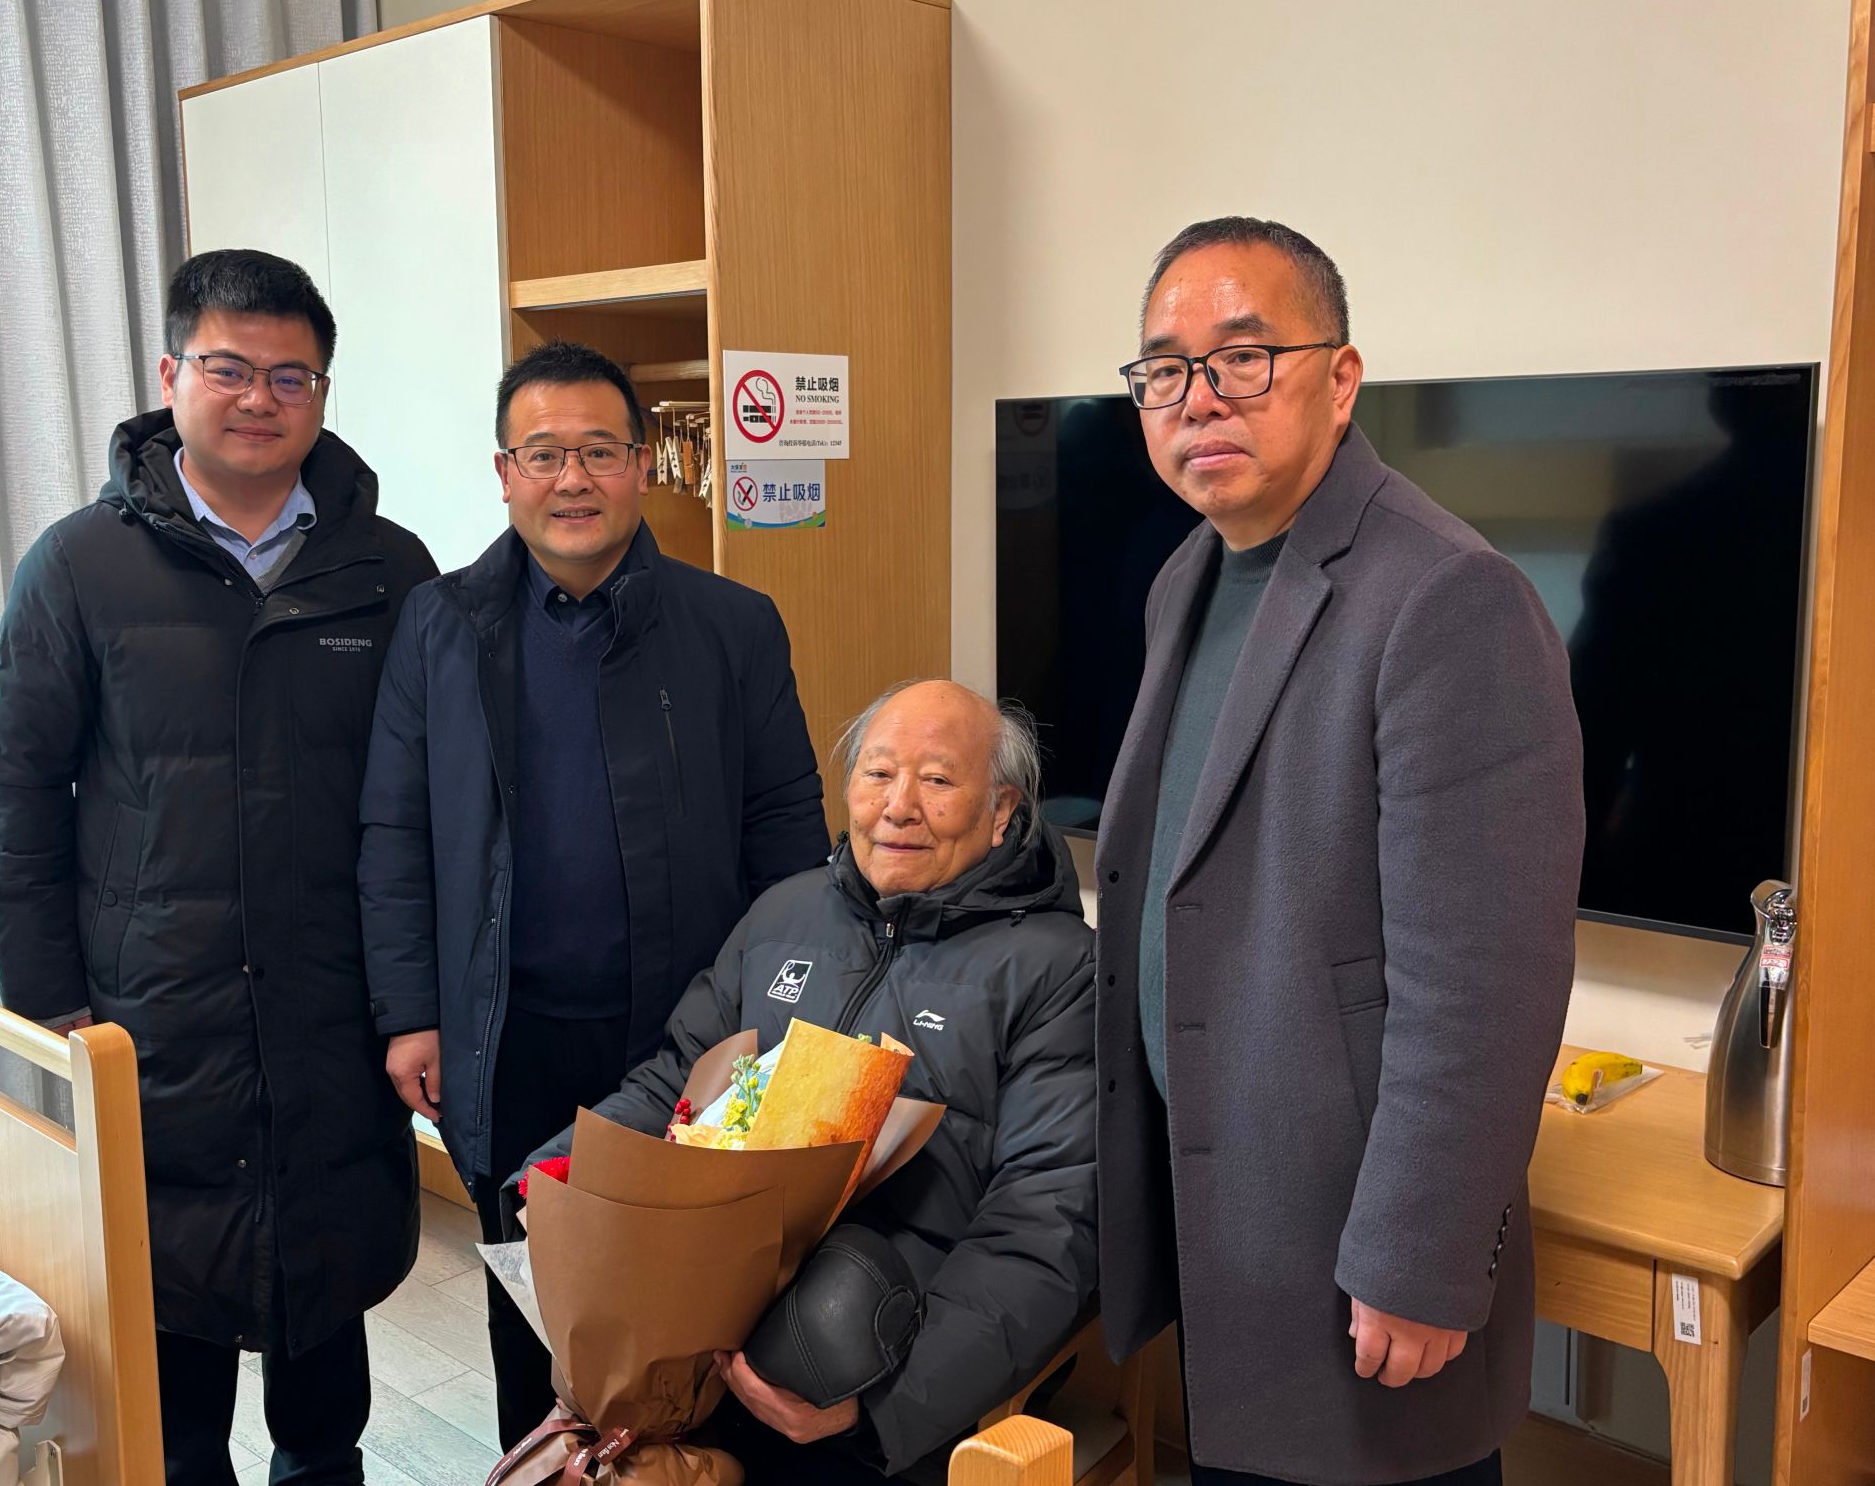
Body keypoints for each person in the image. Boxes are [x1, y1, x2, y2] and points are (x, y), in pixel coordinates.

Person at [1092, 217, 1584, 1485]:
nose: (1198, 397)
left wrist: (1420, 1257)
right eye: (1163, 369)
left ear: (1341, 376)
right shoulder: (1186, 576)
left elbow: (1483, 982)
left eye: (1242, 357)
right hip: (1224, 1211)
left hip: (1354, 1244)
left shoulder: (1445, 594)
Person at [0, 248, 439, 1484]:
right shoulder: (78, 565)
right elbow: (16, 790)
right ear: (170, 373)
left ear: (321, 393)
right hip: (152, 1010)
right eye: (229, 368)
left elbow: (427, 805)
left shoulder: (388, 570)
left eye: (292, 376)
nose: (259, 399)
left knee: (324, 1310)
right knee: (173, 1321)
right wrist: (52, 1007)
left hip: (336, 1003)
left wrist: (417, 998)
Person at [356, 339, 830, 1447]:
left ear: (642, 465)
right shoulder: (439, 624)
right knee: (529, 1310)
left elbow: (787, 835)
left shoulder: (733, 624)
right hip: (503, 1039)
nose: (572, 479)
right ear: (504, 472)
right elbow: (394, 830)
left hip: (684, 1040)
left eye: (600, 451)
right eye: (543, 453)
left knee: (696, 1306)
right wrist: (410, 1012)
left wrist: (783, 1020)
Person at [526, 679, 1098, 1485]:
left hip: (878, 1359)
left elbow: (1047, 1221)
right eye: (878, 773)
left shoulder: (1059, 970)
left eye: (937, 780)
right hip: (705, 1319)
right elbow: (676, 1081)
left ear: (1002, 810)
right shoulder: (783, 914)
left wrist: (883, 1410)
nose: (898, 807)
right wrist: (561, 1175)